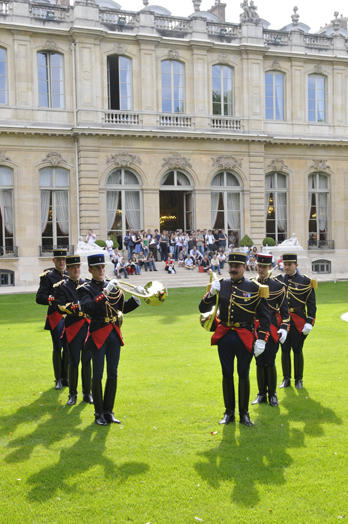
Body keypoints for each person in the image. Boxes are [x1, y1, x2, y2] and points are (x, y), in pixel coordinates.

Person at [199, 252, 271, 426]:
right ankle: (229, 412)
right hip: (224, 335)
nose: (233, 269)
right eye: (231, 266)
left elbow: (265, 318)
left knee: (243, 375)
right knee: (226, 374)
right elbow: (202, 307)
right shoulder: (220, 285)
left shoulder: (254, 287)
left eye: (237, 266)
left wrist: (262, 339)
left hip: (244, 335)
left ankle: (244, 413)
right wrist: (210, 294)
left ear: (244, 268)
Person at [77, 253, 142, 425]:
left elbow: (122, 308)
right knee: (98, 374)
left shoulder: (112, 285)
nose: (100, 270)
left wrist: (136, 298)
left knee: (113, 373)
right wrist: (105, 292)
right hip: (98, 334)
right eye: (97, 268)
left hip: (114, 334)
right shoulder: (85, 288)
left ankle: (109, 411)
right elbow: (88, 308)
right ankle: (98, 413)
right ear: (90, 270)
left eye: (102, 267)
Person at [54, 255, 93, 406]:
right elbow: (60, 306)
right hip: (73, 327)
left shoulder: (87, 284)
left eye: (78, 267)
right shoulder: (62, 286)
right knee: (73, 362)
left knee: (87, 361)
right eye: (73, 267)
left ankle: (87, 393)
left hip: (87, 326)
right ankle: (72, 394)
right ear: (68, 269)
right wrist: (77, 305)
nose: (77, 269)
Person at [251, 254, 290, 407]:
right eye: (259, 266)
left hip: (272, 327)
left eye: (264, 267)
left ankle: (272, 395)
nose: (261, 269)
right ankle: (261, 394)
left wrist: (284, 329)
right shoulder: (250, 284)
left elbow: (285, 313)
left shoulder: (278, 286)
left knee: (270, 361)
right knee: (259, 362)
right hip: (254, 327)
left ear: (269, 268)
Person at [275, 253, 317, 389]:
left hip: (299, 319)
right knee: (285, 349)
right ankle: (286, 379)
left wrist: (309, 322)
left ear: (296, 265)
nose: (286, 267)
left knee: (297, 349)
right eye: (285, 265)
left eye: (289, 265)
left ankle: (299, 379)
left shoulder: (305, 281)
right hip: (283, 321)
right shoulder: (277, 281)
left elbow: (311, 305)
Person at [36, 248, 69, 389]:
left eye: (63, 260)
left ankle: (66, 377)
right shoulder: (48, 276)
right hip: (56, 316)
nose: (61, 262)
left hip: (69, 316)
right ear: (53, 260)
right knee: (58, 347)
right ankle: (58, 379)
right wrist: (53, 299)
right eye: (58, 260)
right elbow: (39, 297)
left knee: (68, 348)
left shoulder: (69, 275)